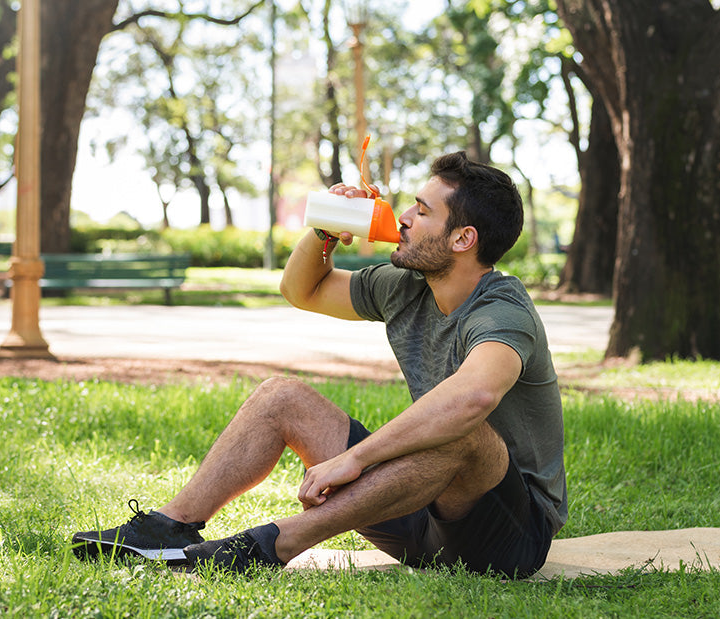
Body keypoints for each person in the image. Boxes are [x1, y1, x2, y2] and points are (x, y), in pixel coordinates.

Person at [72, 152, 566, 579]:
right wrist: (325, 230)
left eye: (422, 210)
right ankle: (169, 526)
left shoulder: (502, 312)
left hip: (507, 536)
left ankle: (273, 544)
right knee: (281, 397)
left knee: (465, 431)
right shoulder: (406, 286)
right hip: (418, 512)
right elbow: (301, 290)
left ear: (462, 239)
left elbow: (473, 397)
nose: (405, 218)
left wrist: (356, 457)